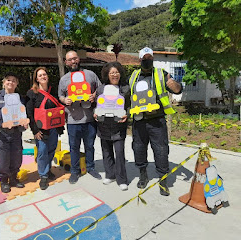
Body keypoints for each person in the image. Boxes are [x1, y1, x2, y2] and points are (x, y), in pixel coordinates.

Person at [129, 47, 182, 196]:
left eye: (149, 57)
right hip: (139, 121)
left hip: (157, 121)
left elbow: (177, 89)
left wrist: (175, 86)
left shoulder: (161, 74)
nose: (147, 60)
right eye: (144, 58)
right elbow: (128, 94)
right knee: (138, 149)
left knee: (161, 151)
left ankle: (163, 181)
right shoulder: (133, 75)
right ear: (140, 60)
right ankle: (143, 175)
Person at [58, 50, 102, 184]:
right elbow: (60, 95)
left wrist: (94, 95)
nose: (73, 61)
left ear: (79, 59)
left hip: (89, 119)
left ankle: (91, 168)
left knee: (90, 146)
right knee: (74, 147)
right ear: (66, 62)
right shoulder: (64, 79)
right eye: (70, 60)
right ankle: (75, 171)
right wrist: (64, 100)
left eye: (75, 58)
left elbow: (100, 89)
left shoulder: (90, 74)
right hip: (72, 120)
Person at [26, 67, 64, 190]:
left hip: (53, 127)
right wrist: (35, 131)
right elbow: (29, 113)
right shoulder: (32, 93)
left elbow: (58, 108)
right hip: (40, 129)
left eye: (44, 74)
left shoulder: (53, 91)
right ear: (36, 79)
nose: (43, 77)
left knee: (51, 150)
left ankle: (47, 170)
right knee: (42, 151)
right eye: (40, 75)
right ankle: (43, 176)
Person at [94, 62, 130, 191]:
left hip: (119, 125)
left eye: (116, 72)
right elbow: (97, 105)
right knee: (106, 151)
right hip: (103, 125)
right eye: (111, 73)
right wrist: (95, 113)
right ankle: (110, 175)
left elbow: (130, 105)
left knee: (119, 152)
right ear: (107, 75)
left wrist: (128, 114)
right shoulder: (100, 89)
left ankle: (122, 179)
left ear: (120, 73)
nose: (114, 75)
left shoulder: (125, 89)